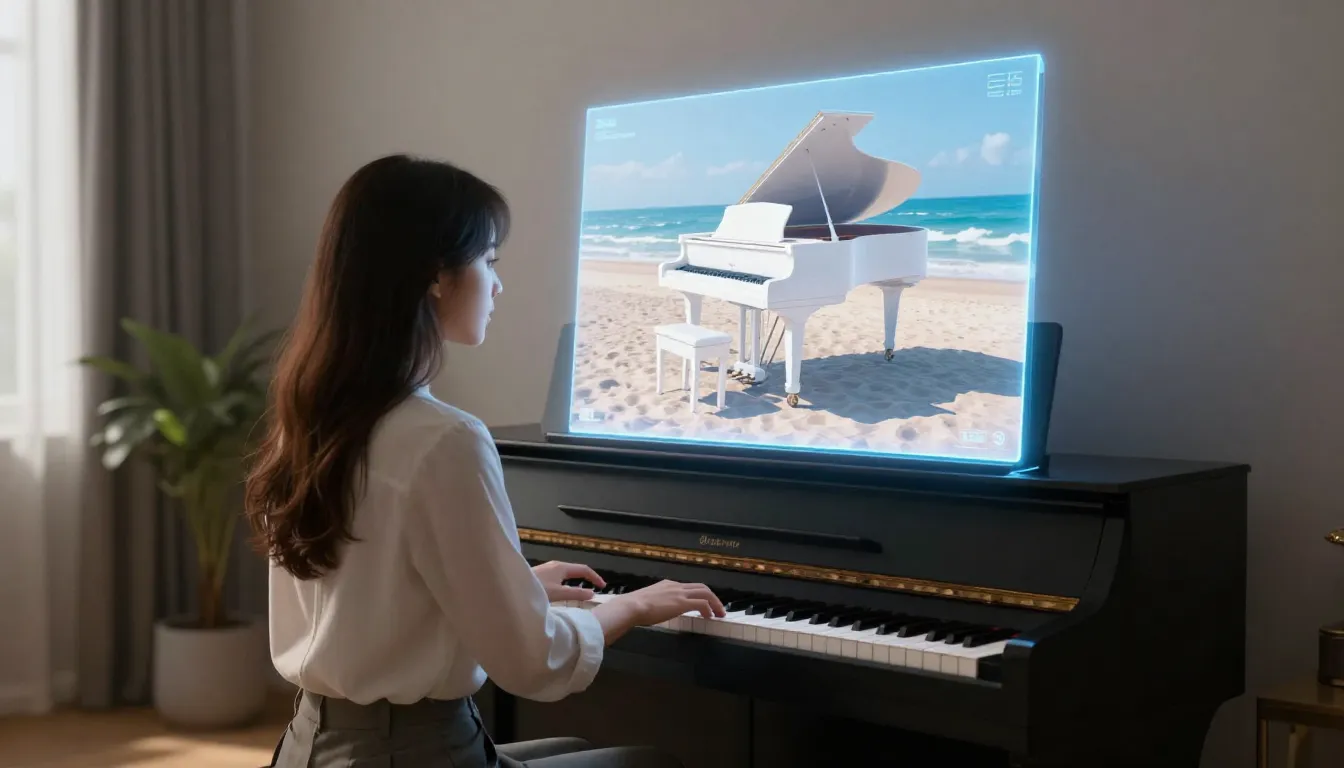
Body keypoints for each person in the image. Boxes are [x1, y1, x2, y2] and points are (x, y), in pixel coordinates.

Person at [243, 154, 725, 768]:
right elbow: (533, 660)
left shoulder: (313, 418)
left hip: (313, 745)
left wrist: (516, 587)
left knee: (572, 747)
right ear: (437, 276)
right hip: (411, 753)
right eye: (489, 261)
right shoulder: (443, 438)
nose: (498, 285)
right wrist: (630, 606)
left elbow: (376, 594)